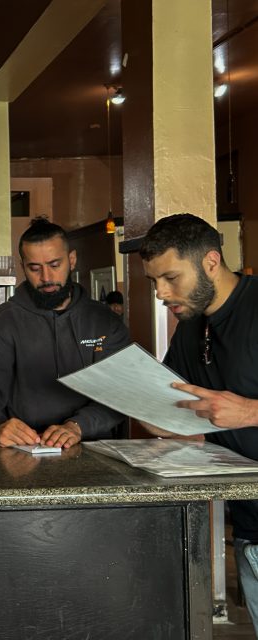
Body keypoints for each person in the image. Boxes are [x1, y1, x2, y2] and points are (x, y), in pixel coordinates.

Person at [140, 212, 258, 633]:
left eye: (171, 277)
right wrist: (159, 418)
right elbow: (182, 409)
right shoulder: (190, 329)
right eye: (155, 281)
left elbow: (238, 412)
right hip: (249, 524)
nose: (161, 293)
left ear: (211, 261)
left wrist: (250, 412)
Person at [0, 217, 130, 449]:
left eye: (54, 265)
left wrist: (78, 426)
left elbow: (121, 391)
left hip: (90, 448)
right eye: (35, 268)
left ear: (71, 260)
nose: (46, 278)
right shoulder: (3, 321)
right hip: (20, 450)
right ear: (23, 267)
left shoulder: (104, 322)